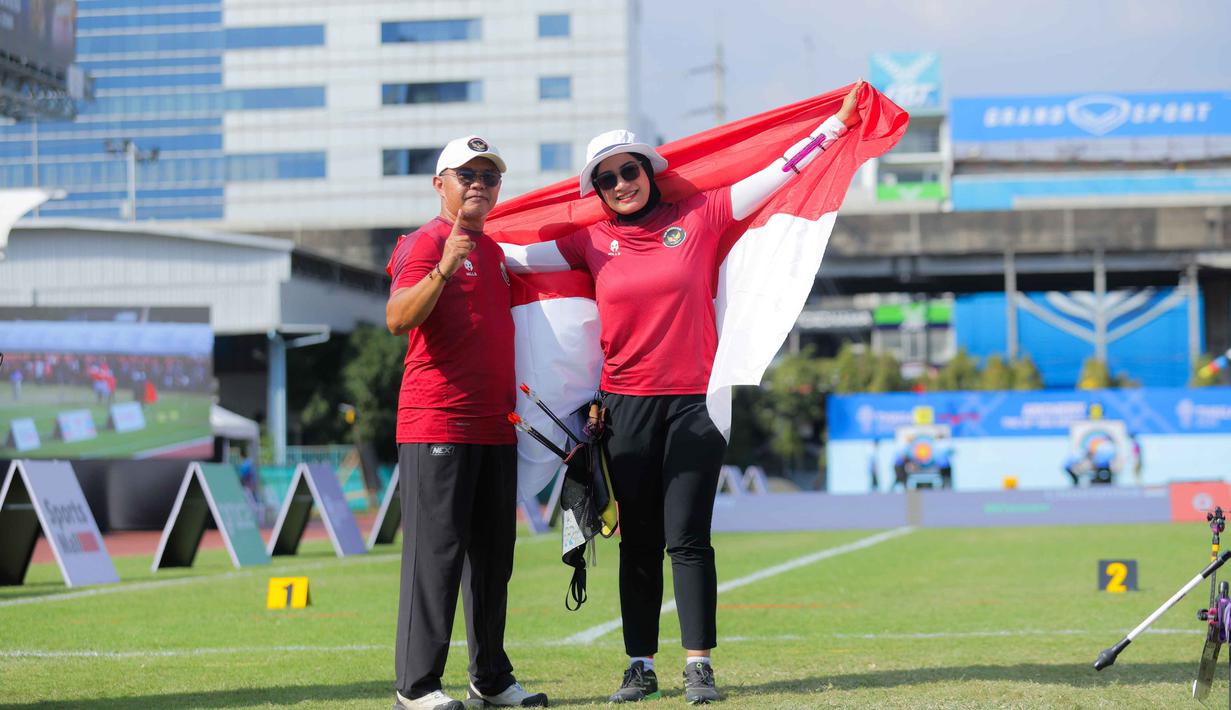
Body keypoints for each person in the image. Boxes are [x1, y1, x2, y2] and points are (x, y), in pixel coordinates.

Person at [502, 82, 863, 704]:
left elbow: (780, 172)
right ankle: (639, 666)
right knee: (638, 541)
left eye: (629, 170)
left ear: (649, 170)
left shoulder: (703, 215)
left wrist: (834, 128)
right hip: (621, 410)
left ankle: (699, 666)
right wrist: (452, 236)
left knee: (689, 537)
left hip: (696, 404)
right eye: (608, 178)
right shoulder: (587, 241)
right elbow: (511, 255)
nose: (621, 183)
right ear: (598, 190)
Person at [385, 135, 547, 710]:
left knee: (493, 562)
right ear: (441, 185)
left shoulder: (497, 253)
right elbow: (396, 317)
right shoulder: (424, 242)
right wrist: (443, 270)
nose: (479, 184)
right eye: (466, 175)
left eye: (489, 176)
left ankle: (490, 679)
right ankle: (417, 685)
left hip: (494, 426)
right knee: (437, 556)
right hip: (438, 424)